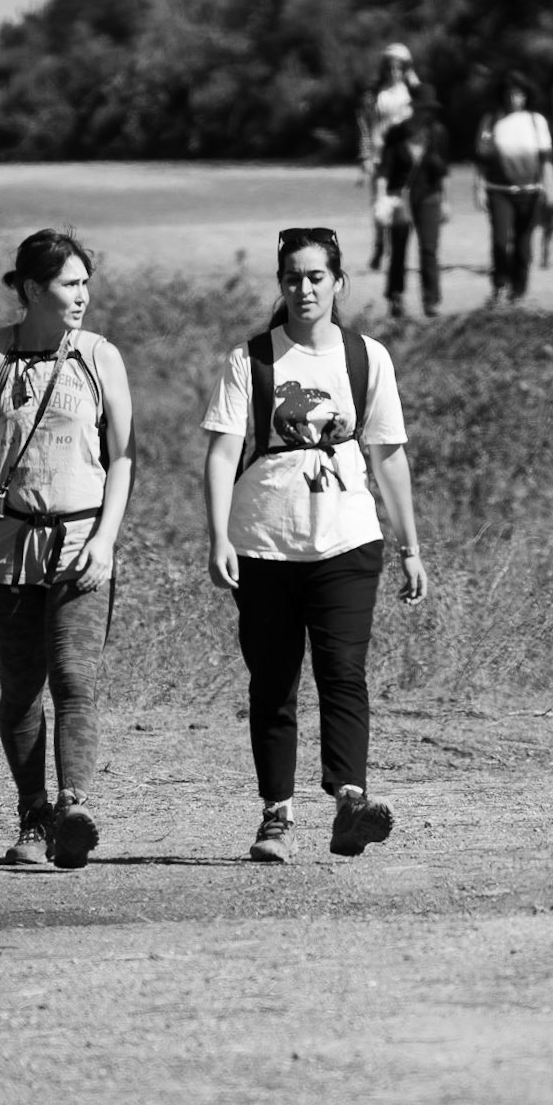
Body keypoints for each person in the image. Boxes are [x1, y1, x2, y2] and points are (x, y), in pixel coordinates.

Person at [201, 225, 428, 864]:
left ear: (338, 283)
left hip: (348, 540)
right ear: (281, 284)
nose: (304, 288)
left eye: (316, 277)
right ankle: (276, 815)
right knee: (273, 682)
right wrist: (217, 536)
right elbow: (221, 453)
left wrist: (410, 546)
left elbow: (388, 456)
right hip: (264, 541)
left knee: (343, 673)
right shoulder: (251, 359)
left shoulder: (366, 357)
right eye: (293, 278)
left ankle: (350, 800)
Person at [0, 229, 135, 869]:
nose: (82, 296)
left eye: (86, 283)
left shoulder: (100, 356)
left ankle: (73, 807)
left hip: (81, 539)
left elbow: (123, 456)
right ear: (32, 289)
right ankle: (34, 818)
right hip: (6, 542)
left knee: (75, 679)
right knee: (22, 687)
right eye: (69, 284)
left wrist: (106, 538)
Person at [473, 69, 553, 305]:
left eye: (518, 94)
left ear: (526, 96)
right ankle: (500, 285)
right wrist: (477, 188)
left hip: (530, 192)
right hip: (499, 191)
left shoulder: (536, 121)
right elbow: (481, 159)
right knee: (500, 241)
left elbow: (546, 160)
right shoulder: (491, 121)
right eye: (509, 94)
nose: (514, 99)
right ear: (502, 95)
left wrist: (550, 190)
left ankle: (519, 290)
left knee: (523, 245)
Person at [374, 83, 451, 319]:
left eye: (428, 108)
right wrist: (381, 198)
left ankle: (431, 301)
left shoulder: (438, 133)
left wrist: (446, 201)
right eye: (421, 107)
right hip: (400, 198)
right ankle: (395, 296)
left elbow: (442, 173)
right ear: (413, 107)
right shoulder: (396, 134)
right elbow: (385, 169)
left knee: (429, 250)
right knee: (398, 249)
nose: (424, 112)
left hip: (430, 197)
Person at [356, 43, 419, 271]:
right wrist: (365, 157)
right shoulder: (374, 94)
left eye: (399, 68)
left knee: (403, 202)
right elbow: (364, 125)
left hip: (405, 156)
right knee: (379, 204)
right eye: (390, 68)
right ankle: (380, 245)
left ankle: (396, 249)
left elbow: (425, 112)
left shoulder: (412, 92)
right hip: (380, 155)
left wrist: (413, 78)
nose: (394, 72)